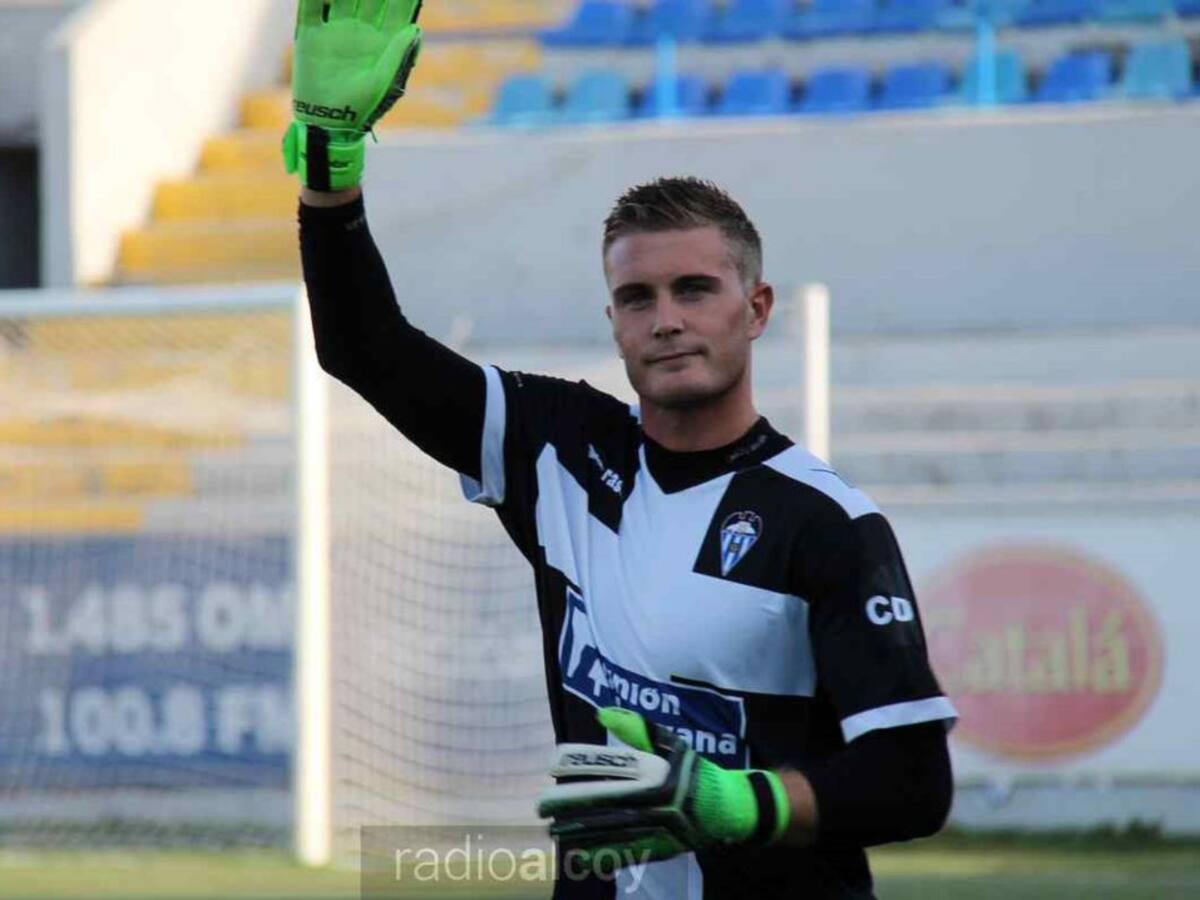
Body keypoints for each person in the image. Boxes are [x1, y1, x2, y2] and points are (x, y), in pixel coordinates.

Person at [287, 2, 956, 896]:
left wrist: (743, 804)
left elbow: (912, 781)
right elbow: (363, 348)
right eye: (638, 297)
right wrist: (330, 169)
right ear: (614, 323)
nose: (667, 317)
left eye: (694, 288)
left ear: (755, 310)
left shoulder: (827, 522)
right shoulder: (556, 451)